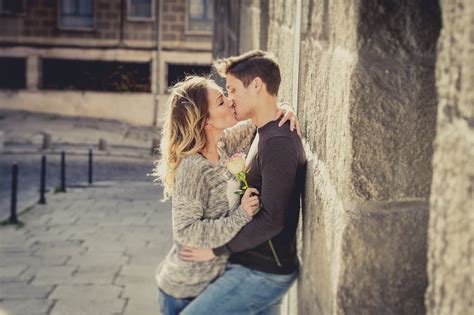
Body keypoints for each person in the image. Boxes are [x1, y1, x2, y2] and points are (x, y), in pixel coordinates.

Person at [152, 75, 300, 315]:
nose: (230, 101)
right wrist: (240, 216)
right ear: (205, 122)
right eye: (221, 102)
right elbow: (186, 231)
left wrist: (284, 109)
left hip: (219, 281)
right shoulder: (193, 168)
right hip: (185, 291)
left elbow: (261, 119)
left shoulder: (225, 143)